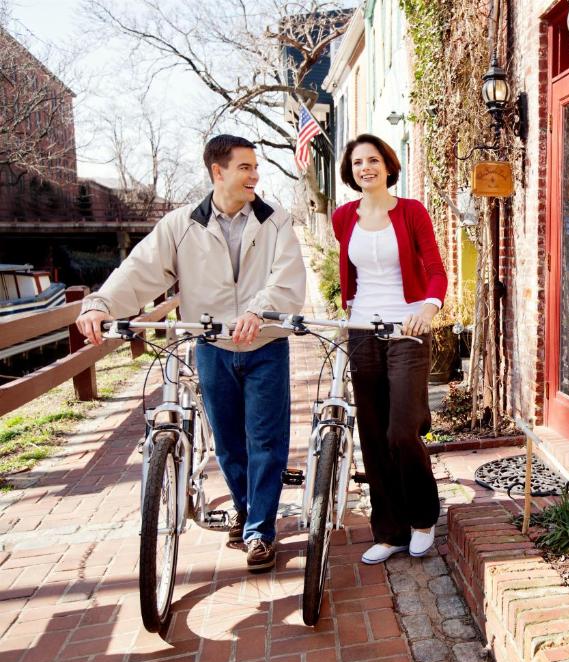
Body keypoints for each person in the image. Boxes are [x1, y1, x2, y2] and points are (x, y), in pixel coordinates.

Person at [75, 135, 306, 572]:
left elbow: (287, 275)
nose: (255, 174)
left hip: (265, 345)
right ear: (218, 172)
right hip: (212, 346)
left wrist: (259, 309)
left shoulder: (276, 220)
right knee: (228, 445)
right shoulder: (181, 224)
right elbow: (141, 270)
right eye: (245, 167)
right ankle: (246, 511)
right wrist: (102, 303)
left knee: (266, 441)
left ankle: (259, 531)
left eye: (255, 167)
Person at [331, 133, 447, 565]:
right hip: (361, 329)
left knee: (402, 430)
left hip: (406, 328)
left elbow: (435, 269)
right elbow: (351, 279)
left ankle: (422, 519)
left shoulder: (412, 212)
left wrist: (428, 307)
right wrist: (345, 316)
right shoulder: (343, 217)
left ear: (388, 165)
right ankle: (390, 530)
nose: (366, 167)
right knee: (374, 436)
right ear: (351, 171)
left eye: (374, 159)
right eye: (359, 162)